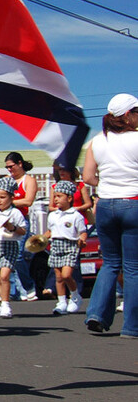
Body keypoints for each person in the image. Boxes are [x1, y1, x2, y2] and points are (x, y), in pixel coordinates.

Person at [82, 93, 138, 337]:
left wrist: (104, 184)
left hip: (105, 204)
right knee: (133, 267)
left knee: (111, 263)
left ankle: (96, 314)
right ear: (127, 115)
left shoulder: (97, 141)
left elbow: (87, 178)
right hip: (133, 202)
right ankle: (132, 326)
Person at [44, 180, 88, 315]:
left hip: (70, 245)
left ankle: (75, 296)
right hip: (56, 245)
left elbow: (83, 232)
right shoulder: (53, 215)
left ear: (69, 198)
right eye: (55, 196)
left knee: (67, 274)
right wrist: (42, 239)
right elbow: (50, 231)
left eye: (59, 196)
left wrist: (82, 240)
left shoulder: (76, 216)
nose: (56, 199)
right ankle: (61, 302)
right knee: (58, 276)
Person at [0, 177, 28, 319]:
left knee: (5, 275)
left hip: (10, 245)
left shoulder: (15, 213)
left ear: (11, 197)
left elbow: (23, 230)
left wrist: (12, 227)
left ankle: (6, 304)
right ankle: (3, 302)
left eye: (2, 197)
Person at [3, 151, 39, 301]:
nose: (10, 170)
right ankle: (12, 292)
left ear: (20, 164)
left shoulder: (28, 180)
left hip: (20, 220)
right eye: (7, 168)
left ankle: (28, 286)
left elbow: (28, 201)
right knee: (5, 257)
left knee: (17, 255)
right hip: (5, 221)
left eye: (11, 166)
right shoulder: (6, 180)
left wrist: (8, 202)